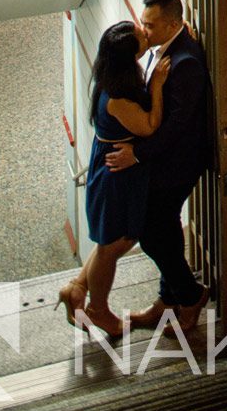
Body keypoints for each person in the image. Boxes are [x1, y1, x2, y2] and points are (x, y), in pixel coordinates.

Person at [104, 0, 216, 334]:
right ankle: (168, 300)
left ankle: (190, 295)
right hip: (163, 160)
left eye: (150, 26)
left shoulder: (186, 64)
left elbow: (176, 130)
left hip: (177, 163)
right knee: (163, 229)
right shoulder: (167, 47)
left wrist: (136, 154)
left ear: (173, 24)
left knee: (153, 233)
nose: (144, 31)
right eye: (144, 23)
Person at [59, 22, 173, 335]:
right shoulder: (118, 98)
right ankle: (98, 309)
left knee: (112, 241)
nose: (146, 33)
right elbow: (150, 126)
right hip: (116, 176)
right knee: (113, 245)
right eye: (142, 35)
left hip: (112, 167)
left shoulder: (111, 76)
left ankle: (77, 288)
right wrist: (160, 84)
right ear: (128, 56)